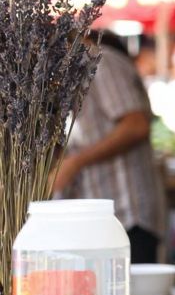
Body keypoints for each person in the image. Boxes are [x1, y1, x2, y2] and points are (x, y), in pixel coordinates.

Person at [54, 32, 166, 263]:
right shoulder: (73, 75)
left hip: (127, 216)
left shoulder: (100, 63)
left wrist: (75, 163)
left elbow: (136, 125)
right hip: (101, 223)